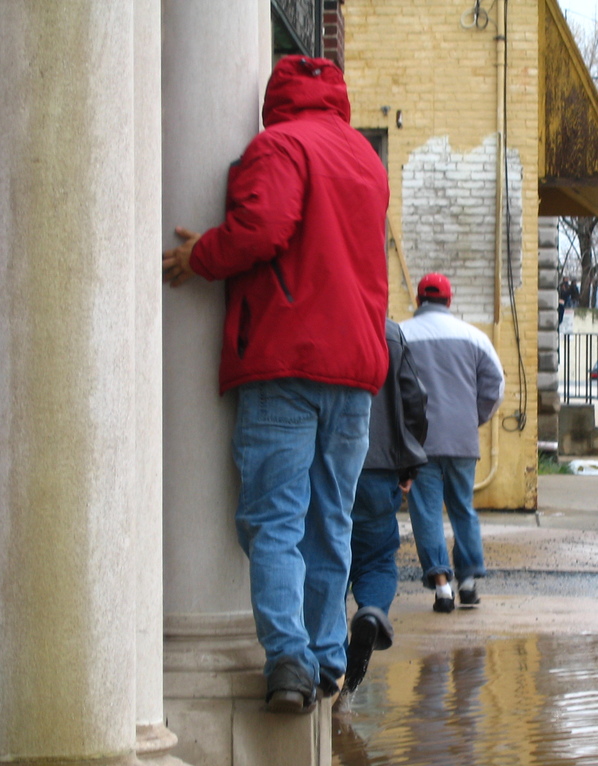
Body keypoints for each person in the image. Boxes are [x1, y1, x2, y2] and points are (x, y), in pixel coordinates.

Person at [162, 56, 390, 714]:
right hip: (354, 367)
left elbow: (262, 230)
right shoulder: (364, 160)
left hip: (285, 358)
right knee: (330, 518)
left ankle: (287, 657)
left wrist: (199, 254)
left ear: (276, 100)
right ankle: (323, 659)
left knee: (276, 520)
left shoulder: (280, 145)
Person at [400, 274, 505, 613]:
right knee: (463, 508)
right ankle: (469, 581)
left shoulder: (401, 335)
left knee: (427, 511)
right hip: (462, 440)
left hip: (419, 442)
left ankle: (442, 587)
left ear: (418, 300)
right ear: (449, 300)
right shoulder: (475, 337)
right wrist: (473, 418)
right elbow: (495, 385)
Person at [343, 319, 430, 695]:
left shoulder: (320, 311)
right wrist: (408, 463)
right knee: (376, 559)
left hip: (329, 465)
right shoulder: (388, 331)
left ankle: (326, 660)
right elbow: (414, 402)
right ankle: (372, 611)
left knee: (326, 558)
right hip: (378, 469)